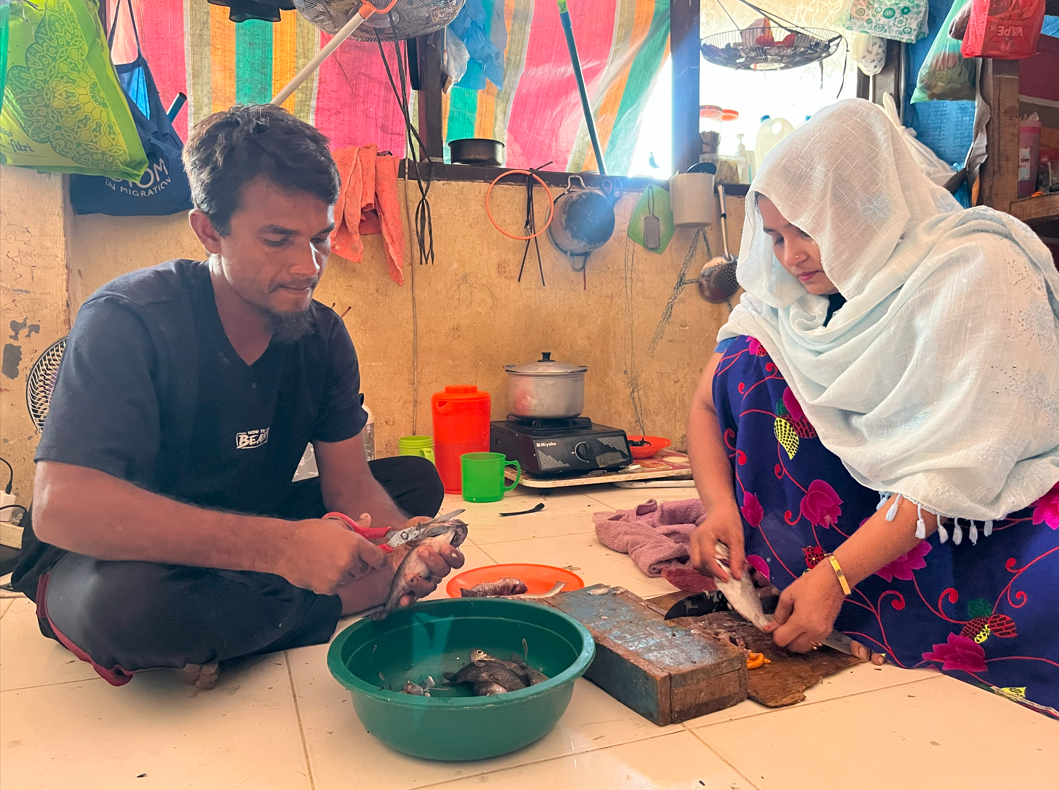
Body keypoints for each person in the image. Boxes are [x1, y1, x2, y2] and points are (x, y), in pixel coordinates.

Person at [11, 105, 463, 689]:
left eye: (320, 239)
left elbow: (350, 487)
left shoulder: (322, 335)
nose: (308, 266)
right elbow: (61, 508)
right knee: (126, 608)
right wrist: (282, 548)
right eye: (278, 240)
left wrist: (406, 552)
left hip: (249, 517)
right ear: (208, 230)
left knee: (414, 485)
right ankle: (329, 601)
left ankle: (248, 619)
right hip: (118, 556)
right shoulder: (128, 319)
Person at [686, 99, 1059, 718]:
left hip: (987, 518)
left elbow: (960, 471)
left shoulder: (976, 273)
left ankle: (865, 601)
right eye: (776, 237)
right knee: (746, 357)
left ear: (865, 209)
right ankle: (801, 580)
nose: (790, 257)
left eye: (809, 230)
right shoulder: (790, 299)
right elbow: (707, 400)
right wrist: (718, 507)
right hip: (865, 524)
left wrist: (836, 578)